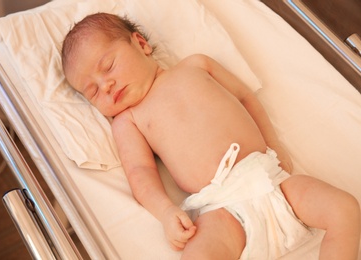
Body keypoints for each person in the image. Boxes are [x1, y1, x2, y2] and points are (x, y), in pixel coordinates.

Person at [61, 13, 360, 259]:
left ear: (140, 44)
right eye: (93, 91)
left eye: (108, 66)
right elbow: (140, 173)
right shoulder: (128, 120)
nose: (107, 85)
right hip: (222, 208)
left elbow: (245, 98)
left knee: (344, 209)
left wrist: (274, 144)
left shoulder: (196, 65)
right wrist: (166, 213)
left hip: (272, 179)